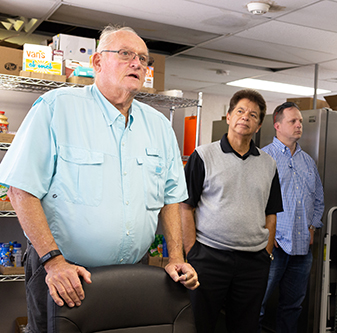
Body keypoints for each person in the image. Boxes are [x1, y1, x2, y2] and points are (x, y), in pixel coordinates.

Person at [0, 25, 198, 333]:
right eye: (125, 54)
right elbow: (20, 190)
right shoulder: (57, 108)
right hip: (64, 269)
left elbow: (172, 198)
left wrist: (174, 256)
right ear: (97, 63)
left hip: (133, 271)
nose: (137, 63)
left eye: (143, 59)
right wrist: (53, 262)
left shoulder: (158, 126)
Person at [181, 89, 283, 333]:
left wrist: (267, 253)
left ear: (258, 126)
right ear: (228, 116)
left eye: (253, 115)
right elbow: (185, 206)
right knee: (200, 324)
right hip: (209, 257)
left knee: (246, 326)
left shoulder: (268, 164)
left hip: (253, 262)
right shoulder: (203, 155)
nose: (245, 117)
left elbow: (271, 212)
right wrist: (192, 251)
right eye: (240, 111)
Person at [259, 102, 324, 333]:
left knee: (293, 306)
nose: (299, 125)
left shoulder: (307, 162)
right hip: (272, 247)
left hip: (302, 249)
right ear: (277, 125)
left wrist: (313, 227)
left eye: (301, 122)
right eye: (292, 121)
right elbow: (253, 201)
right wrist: (266, 233)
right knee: (258, 304)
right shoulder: (263, 157)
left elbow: (318, 199)